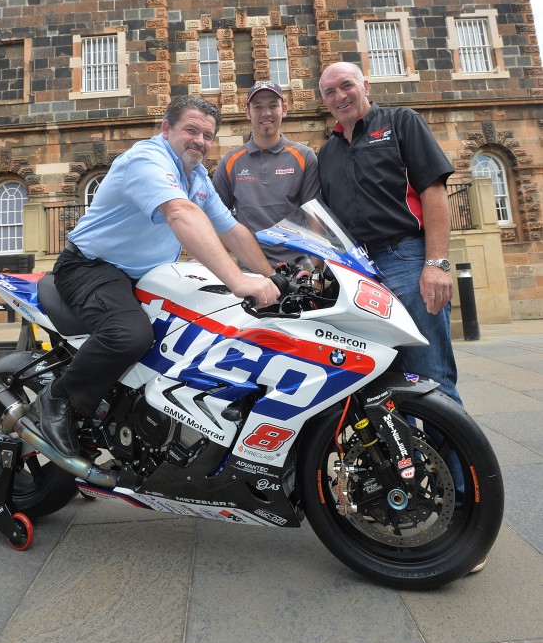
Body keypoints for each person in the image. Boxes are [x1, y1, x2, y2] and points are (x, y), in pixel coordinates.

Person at [32, 95, 281, 458]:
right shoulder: (146, 159)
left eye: (207, 135)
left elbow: (231, 229)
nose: (199, 140)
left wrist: (274, 275)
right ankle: (57, 400)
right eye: (191, 129)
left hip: (144, 276)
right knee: (129, 335)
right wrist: (240, 282)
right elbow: (179, 212)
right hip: (91, 267)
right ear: (166, 129)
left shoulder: (195, 176)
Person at [317, 61, 462, 407]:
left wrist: (437, 263)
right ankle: (410, 462)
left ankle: (460, 463)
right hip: (360, 275)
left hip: (407, 261)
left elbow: (434, 190)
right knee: (383, 388)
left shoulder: (401, 122)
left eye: (346, 85)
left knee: (431, 382)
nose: (340, 96)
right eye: (330, 92)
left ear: (365, 85)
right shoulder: (327, 153)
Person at [213, 81, 320, 266]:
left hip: (299, 271)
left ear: (284, 109)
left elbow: (315, 218)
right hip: (251, 271)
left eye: (273, 105)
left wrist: (317, 272)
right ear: (248, 112)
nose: (266, 113)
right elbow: (213, 217)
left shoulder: (304, 156)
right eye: (258, 107)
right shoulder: (231, 161)